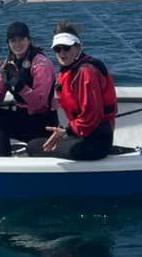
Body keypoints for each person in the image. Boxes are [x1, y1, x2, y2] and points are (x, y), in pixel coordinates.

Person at [26, 21, 117, 161]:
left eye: (66, 48)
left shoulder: (86, 72)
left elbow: (91, 116)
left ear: (78, 47)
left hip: (96, 143)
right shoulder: (70, 70)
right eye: (57, 49)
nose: (61, 53)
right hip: (83, 136)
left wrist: (65, 132)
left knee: (33, 148)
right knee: (35, 144)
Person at [0, 21, 57, 157]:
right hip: (22, 116)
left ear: (29, 40)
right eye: (13, 40)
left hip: (42, 122)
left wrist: (21, 87)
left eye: (21, 39)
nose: (17, 44)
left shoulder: (41, 63)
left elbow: (40, 104)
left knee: (1, 123)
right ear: (8, 43)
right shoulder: (9, 62)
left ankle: (2, 164)